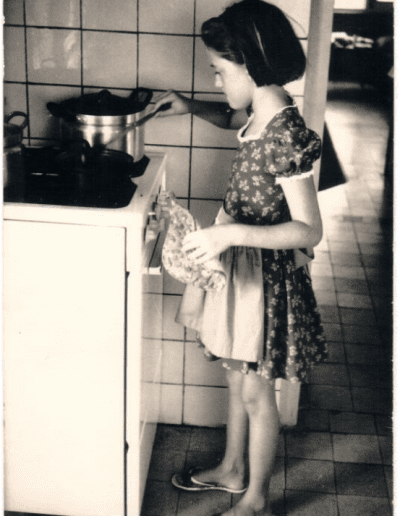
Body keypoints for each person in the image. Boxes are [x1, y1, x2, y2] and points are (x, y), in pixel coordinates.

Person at [151, 1, 328, 515]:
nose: (215, 80)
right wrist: (189, 106)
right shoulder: (261, 111)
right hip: (242, 275)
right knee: (235, 377)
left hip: (264, 284)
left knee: (256, 395)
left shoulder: (287, 135)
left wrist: (228, 235)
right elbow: (233, 117)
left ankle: (256, 502)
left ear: (250, 65)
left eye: (219, 71)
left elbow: (309, 230)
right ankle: (232, 470)